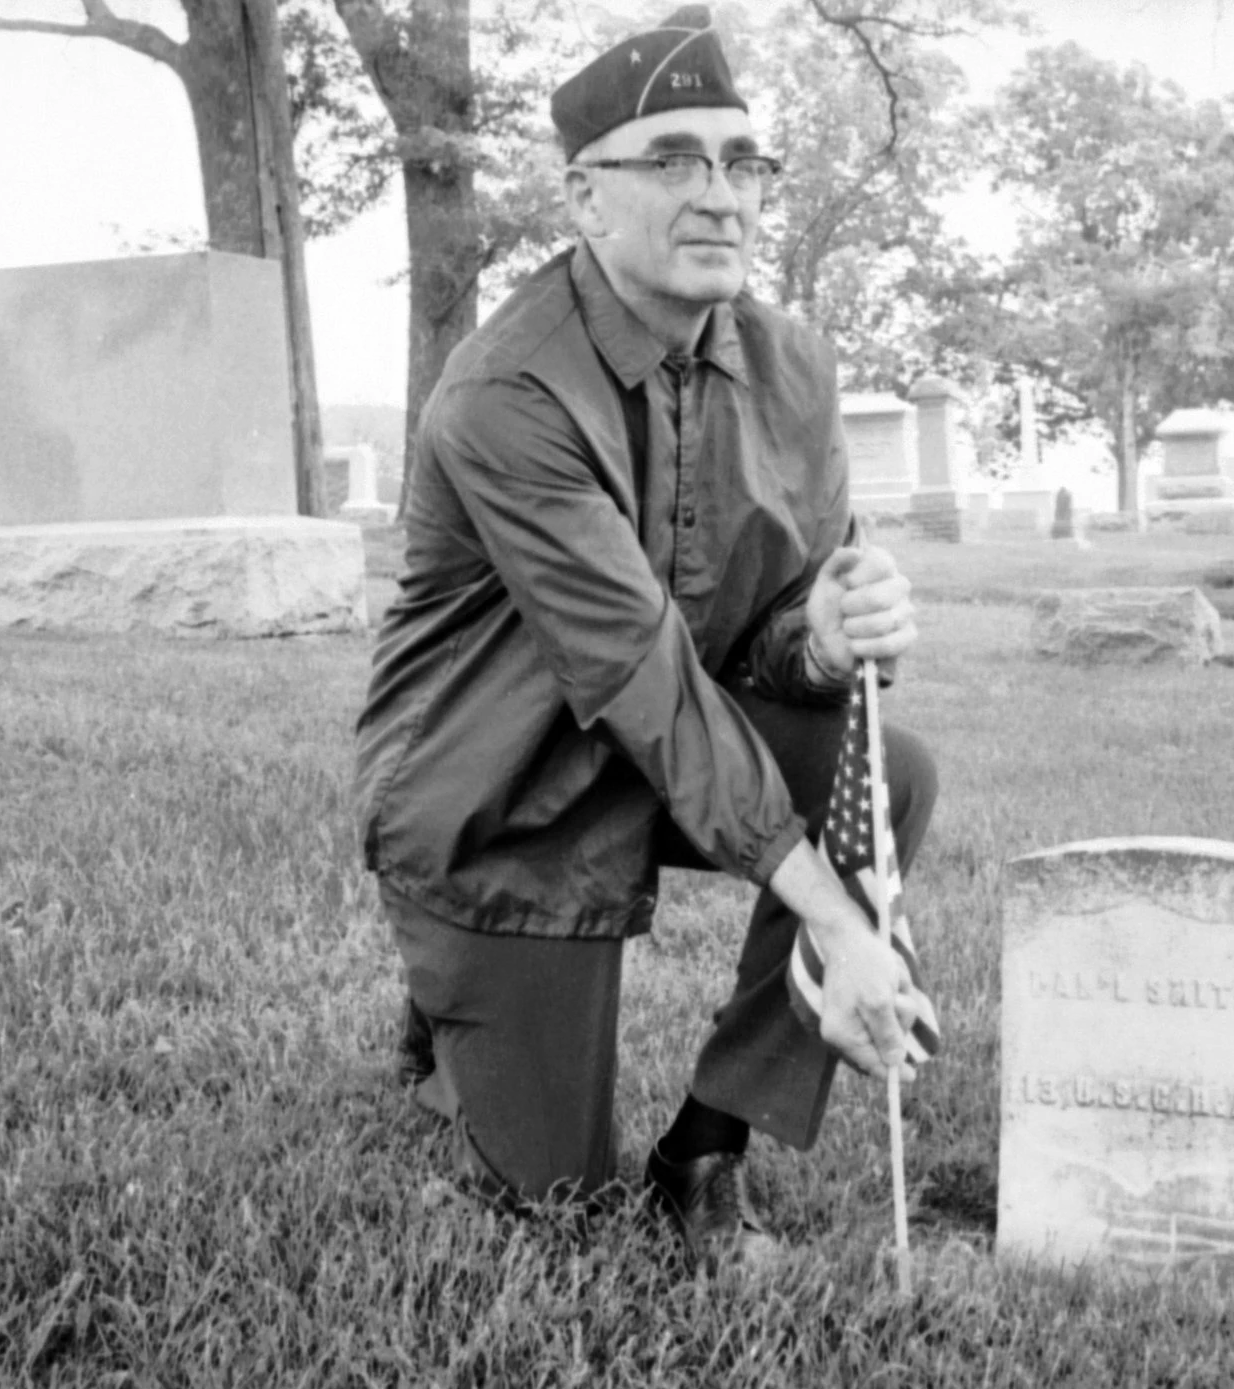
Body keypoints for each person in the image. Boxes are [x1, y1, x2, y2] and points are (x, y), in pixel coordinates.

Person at [353, 3, 936, 1270]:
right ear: (584, 199)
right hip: (501, 791)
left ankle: (705, 1154)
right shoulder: (509, 391)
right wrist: (841, 923)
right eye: (672, 159)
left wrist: (825, 643)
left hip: (660, 748)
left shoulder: (796, 369)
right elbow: (645, 677)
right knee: (550, 1207)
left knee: (885, 766)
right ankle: (452, 990)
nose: (719, 194)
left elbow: (757, 643)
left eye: (741, 161)